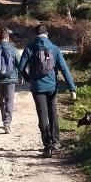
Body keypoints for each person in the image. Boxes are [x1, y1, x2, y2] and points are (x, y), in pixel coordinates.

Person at [19, 24, 76, 157]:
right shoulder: (54, 48)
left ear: (35, 35)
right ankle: (55, 141)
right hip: (52, 87)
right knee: (53, 112)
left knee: (42, 115)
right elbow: (64, 69)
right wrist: (71, 87)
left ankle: (47, 146)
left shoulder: (30, 48)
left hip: (37, 88)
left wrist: (29, 79)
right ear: (47, 34)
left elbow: (20, 67)